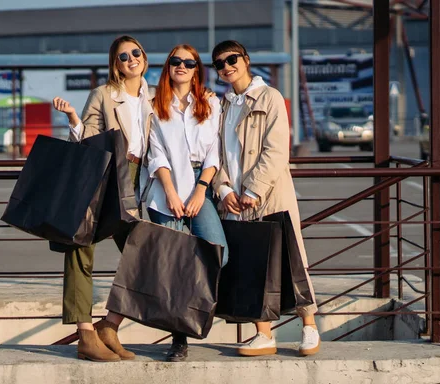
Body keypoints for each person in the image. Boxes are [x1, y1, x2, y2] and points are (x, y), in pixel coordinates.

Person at [211, 40, 321, 357]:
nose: (227, 66)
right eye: (219, 63)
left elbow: (276, 150)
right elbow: (215, 156)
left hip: (269, 197)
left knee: (291, 261)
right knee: (255, 265)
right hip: (237, 200)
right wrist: (224, 190)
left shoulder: (269, 97)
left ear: (245, 60)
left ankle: (310, 328)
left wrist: (253, 190)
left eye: (232, 59)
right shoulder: (222, 106)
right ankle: (264, 334)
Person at [52, 35, 154, 362]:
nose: (131, 59)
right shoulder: (103, 95)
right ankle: (85, 333)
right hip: (108, 174)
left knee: (144, 257)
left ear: (145, 57)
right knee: (81, 248)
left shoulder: (157, 96)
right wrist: (73, 120)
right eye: (123, 56)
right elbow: (90, 140)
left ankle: (109, 326)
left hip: (145, 180)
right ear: (116, 63)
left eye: (135, 53)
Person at [145, 44, 228, 362]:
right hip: (166, 187)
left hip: (199, 184)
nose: (181, 66)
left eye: (188, 62)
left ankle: (197, 309)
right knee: (174, 265)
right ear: (168, 66)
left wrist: (199, 191)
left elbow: (214, 153)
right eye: (176, 61)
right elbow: (157, 153)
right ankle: (179, 339)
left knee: (218, 252)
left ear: (197, 69)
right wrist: (170, 192)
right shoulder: (154, 104)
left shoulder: (209, 101)